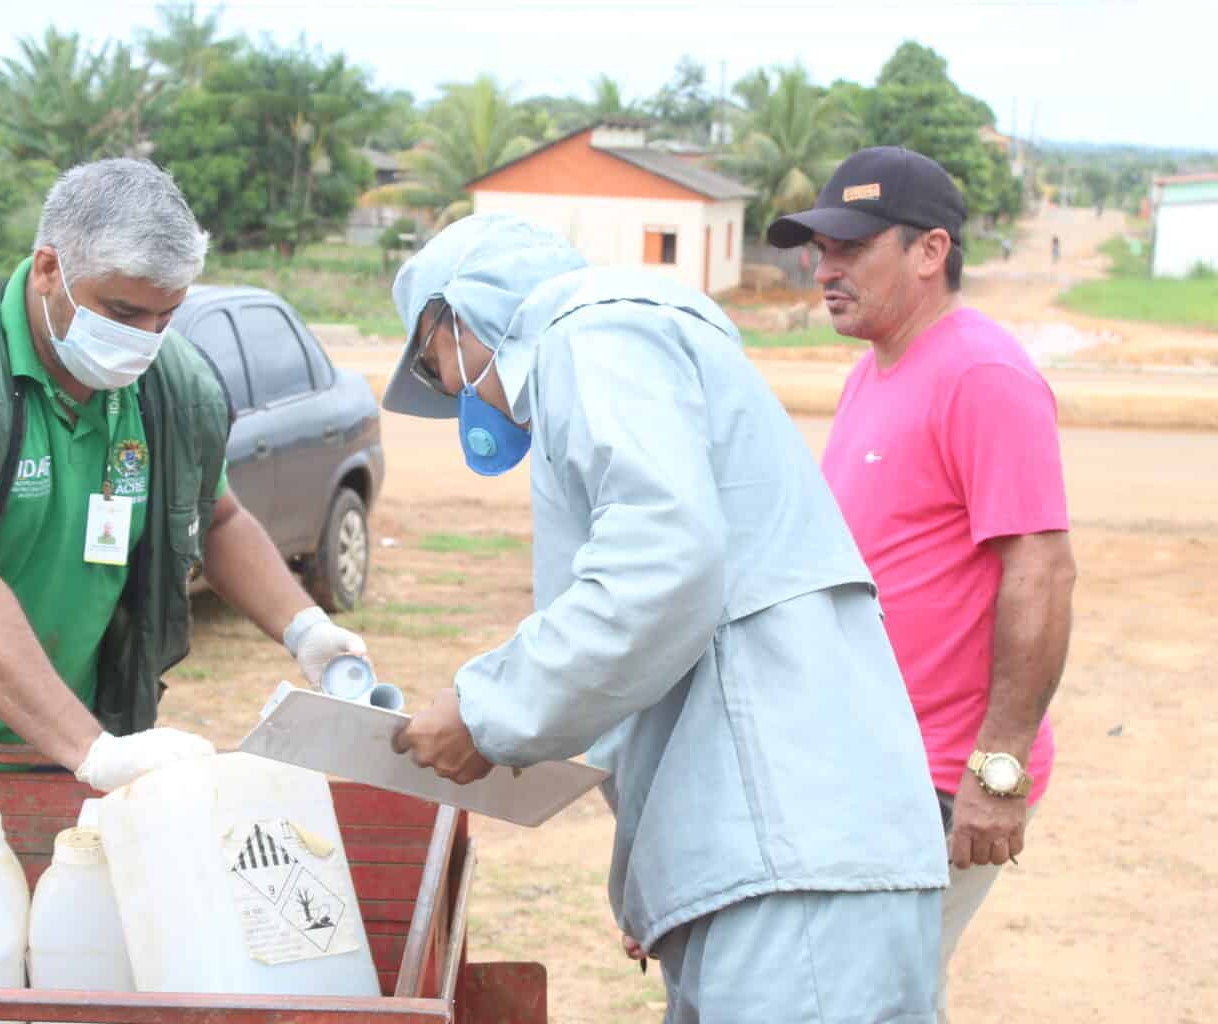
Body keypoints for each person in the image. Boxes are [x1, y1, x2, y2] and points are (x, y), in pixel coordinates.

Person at [0, 159, 367, 978]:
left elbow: (220, 517)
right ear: (49, 267)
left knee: (56, 977)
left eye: (166, 315)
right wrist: (93, 750)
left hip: (55, 756)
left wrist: (308, 630)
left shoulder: (169, 385)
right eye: (123, 311)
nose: (145, 338)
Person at [385, 214, 948, 1022]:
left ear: (457, 318)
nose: (453, 391)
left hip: (789, 857)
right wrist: (661, 871)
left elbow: (660, 565)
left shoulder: (590, 333)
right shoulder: (624, 345)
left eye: (434, 367)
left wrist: (486, 710)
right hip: (779, 852)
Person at [767, 146, 1077, 1023]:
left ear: (930, 251)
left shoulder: (981, 374)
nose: (824, 270)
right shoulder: (873, 370)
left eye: (851, 248)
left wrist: (998, 770)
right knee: (872, 997)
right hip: (873, 762)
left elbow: (1042, 570)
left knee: (856, 999)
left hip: (943, 775)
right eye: (819, 249)